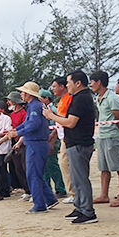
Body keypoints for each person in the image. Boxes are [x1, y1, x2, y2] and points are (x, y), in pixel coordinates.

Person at [44, 71, 97, 224]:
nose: (67, 85)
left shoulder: (81, 99)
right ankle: (80, 207)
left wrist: (51, 116)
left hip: (80, 142)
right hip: (74, 141)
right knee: (75, 177)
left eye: (68, 82)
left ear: (78, 83)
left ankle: (88, 211)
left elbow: (71, 122)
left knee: (80, 178)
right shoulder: (78, 98)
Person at [5, 82, 59, 213]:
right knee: (36, 174)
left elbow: (33, 125)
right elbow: (28, 123)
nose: (21, 95)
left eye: (23, 92)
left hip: (36, 144)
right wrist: (16, 130)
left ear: (28, 94)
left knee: (33, 174)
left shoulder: (34, 106)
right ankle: (49, 199)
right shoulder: (33, 106)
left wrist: (17, 132)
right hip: (37, 144)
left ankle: (39, 204)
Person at [90, 70, 119, 207]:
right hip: (101, 135)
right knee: (103, 167)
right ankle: (104, 194)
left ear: (99, 82)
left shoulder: (112, 97)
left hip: (112, 135)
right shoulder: (99, 98)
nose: (91, 85)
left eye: (92, 82)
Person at [51, 76, 75, 203]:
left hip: (68, 136)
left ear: (62, 86)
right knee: (65, 164)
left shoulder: (69, 99)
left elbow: (67, 119)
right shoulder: (61, 100)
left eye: (54, 86)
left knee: (66, 164)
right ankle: (72, 192)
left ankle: (73, 193)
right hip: (62, 137)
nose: (53, 89)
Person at [39, 89, 66, 197]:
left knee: (52, 165)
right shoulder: (46, 109)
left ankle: (60, 188)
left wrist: (51, 142)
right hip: (46, 140)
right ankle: (48, 189)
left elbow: (56, 126)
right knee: (45, 166)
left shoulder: (53, 109)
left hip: (51, 141)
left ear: (46, 98)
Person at [5, 91, 30, 201]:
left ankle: (31, 190)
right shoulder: (13, 114)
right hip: (16, 143)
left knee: (25, 168)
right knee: (18, 168)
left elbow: (25, 130)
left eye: (10, 100)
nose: (8, 102)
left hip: (23, 143)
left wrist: (19, 143)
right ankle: (26, 190)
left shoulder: (24, 113)